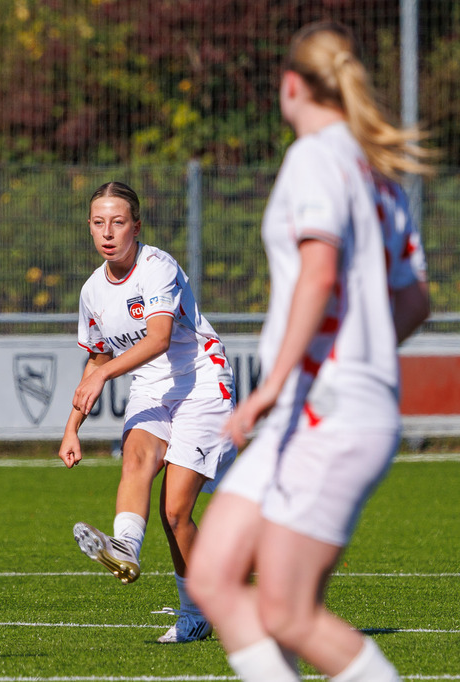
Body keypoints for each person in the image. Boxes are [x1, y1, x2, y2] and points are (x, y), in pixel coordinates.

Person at [185, 22, 433, 682]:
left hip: (323, 412)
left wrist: (269, 388)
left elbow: (320, 274)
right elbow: (413, 302)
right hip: (323, 410)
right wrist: (363, 350)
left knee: (288, 612)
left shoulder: (316, 157)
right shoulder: (376, 172)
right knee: (212, 575)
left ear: (290, 85)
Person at [58, 181, 237, 643]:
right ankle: (126, 550)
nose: (108, 232)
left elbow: (158, 338)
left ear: (136, 227)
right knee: (137, 458)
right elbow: (96, 357)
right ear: (89, 229)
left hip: (200, 381)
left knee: (175, 510)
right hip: (150, 384)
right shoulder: (92, 291)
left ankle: (201, 606)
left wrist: (102, 376)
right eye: (99, 223)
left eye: (118, 222)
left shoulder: (158, 267)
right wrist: (71, 428)